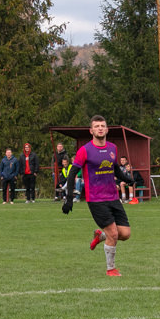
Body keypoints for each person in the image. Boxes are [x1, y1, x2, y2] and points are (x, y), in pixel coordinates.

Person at [61, 115, 135, 277]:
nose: (100, 128)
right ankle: (111, 269)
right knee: (114, 234)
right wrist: (68, 199)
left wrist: (126, 179)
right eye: (97, 126)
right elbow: (72, 173)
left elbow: (115, 169)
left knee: (125, 234)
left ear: (107, 129)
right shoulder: (85, 150)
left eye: (102, 125)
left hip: (113, 198)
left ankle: (100, 235)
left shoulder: (112, 148)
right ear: (91, 130)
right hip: (96, 200)